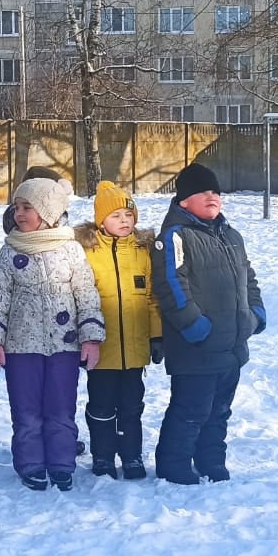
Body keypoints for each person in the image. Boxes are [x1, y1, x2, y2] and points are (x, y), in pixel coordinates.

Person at [0, 175, 104, 491]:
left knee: (61, 407)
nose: (19, 213)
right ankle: (31, 462)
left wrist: (90, 336)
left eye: (28, 207)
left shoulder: (71, 249)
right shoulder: (9, 252)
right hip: (21, 347)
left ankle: (62, 462)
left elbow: (86, 294)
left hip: (65, 346)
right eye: (17, 207)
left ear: (48, 212)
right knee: (27, 409)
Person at [151, 163, 265, 485]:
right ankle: (174, 466)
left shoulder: (231, 236)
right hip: (196, 348)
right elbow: (171, 285)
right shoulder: (175, 237)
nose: (212, 196)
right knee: (191, 411)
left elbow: (248, 278)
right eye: (203, 191)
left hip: (231, 347)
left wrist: (255, 313)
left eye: (216, 191)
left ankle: (211, 460)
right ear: (184, 200)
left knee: (218, 413)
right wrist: (194, 327)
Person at [75, 181, 161, 480]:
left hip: (135, 349)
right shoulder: (87, 251)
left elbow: (152, 298)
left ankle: (132, 455)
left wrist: (156, 335)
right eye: (116, 216)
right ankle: (102, 456)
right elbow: (79, 297)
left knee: (131, 405)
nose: (124, 221)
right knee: (101, 405)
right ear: (101, 220)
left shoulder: (143, 251)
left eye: (128, 214)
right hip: (102, 348)